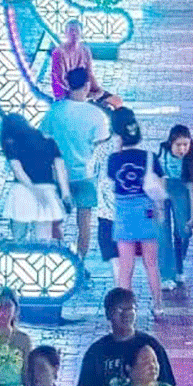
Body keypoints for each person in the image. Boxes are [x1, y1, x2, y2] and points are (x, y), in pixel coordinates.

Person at [42, 67, 113, 262]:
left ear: (68, 85)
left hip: (57, 175)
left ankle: (58, 259)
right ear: (87, 85)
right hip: (85, 174)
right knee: (84, 223)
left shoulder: (54, 111)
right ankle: (79, 262)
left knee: (55, 221)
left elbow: (44, 137)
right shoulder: (96, 115)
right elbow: (102, 139)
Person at [76, 288, 177, 386]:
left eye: (131, 309)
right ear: (108, 314)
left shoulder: (151, 346)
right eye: (120, 310)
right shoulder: (96, 351)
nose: (126, 314)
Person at [103, 107, 168, 305]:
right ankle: (158, 306)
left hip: (124, 217)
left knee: (125, 267)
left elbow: (112, 178)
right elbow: (161, 186)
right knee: (151, 264)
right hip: (147, 214)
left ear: (117, 134)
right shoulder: (150, 157)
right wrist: (161, 212)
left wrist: (117, 146)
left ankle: (125, 307)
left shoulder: (114, 159)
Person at [0, 111, 70, 243]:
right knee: (43, 240)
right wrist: (65, 194)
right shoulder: (49, 141)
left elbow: (18, 172)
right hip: (47, 190)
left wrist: (33, 189)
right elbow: (61, 170)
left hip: (22, 191)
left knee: (18, 239)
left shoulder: (11, 144)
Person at [157, 125, 193, 291]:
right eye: (178, 145)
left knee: (184, 231)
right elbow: (159, 178)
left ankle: (179, 265)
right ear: (171, 143)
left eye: (186, 145)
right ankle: (166, 275)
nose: (183, 149)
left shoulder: (191, 160)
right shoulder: (162, 153)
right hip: (163, 191)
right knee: (163, 234)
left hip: (182, 192)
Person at [47, 18, 96, 100]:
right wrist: (73, 94)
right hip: (63, 93)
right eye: (71, 30)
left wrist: (94, 90)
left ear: (81, 33)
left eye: (77, 30)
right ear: (66, 33)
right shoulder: (58, 52)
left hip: (81, 90)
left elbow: (89, 73)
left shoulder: (85, 50)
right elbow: (59, 78)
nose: (74, 33)